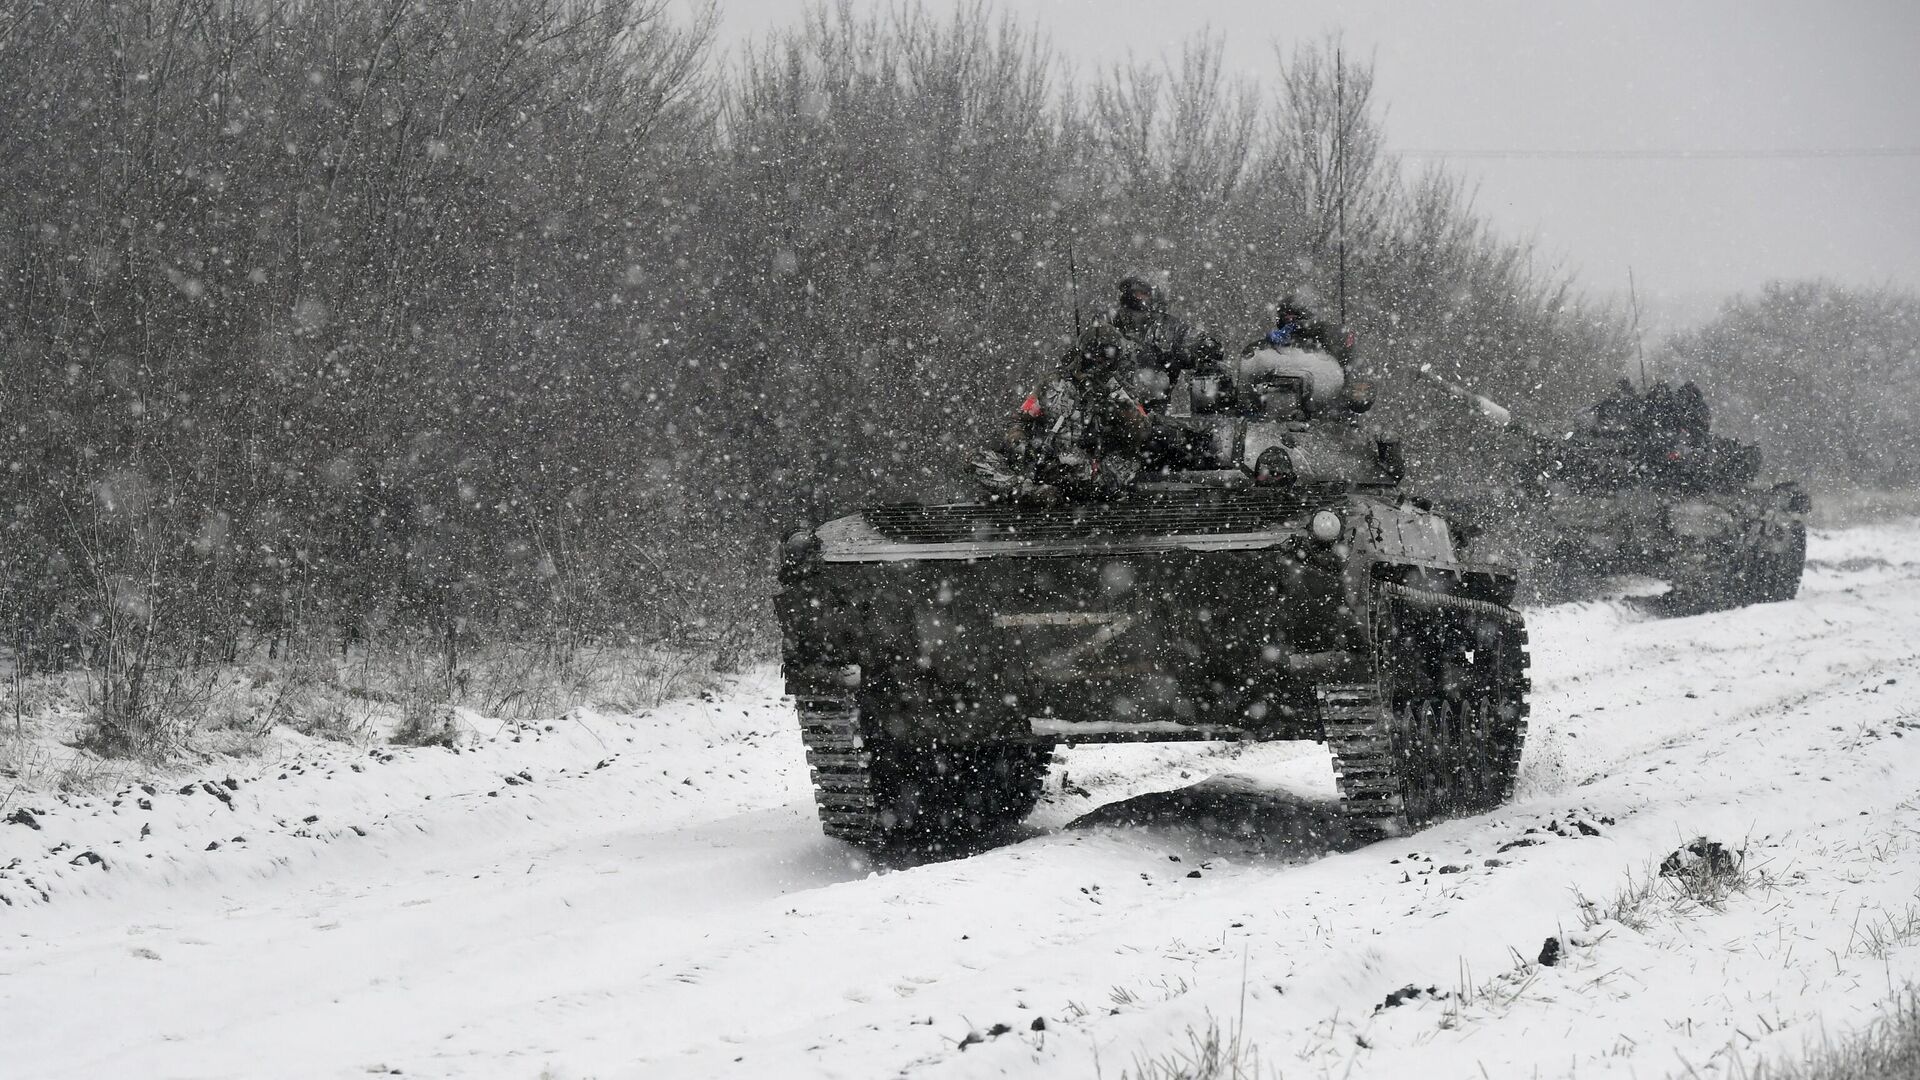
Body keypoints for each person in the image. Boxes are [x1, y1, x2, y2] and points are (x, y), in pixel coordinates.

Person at [971, 324, 1152, 501]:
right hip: (1048, 460)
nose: (1100, 363)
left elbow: (1142, 431)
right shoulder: (1053, 385)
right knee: (977, 459)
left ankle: (1038, 491)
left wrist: (1116, 407)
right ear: (1083, 355)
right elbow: (1020, 418)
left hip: (1093, 468)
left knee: (1096, 469)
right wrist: (1019, 443)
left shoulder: (1120, 391)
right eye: (1095, 356)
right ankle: (1025, 491)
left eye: (1107, 357)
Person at [1110, 275, 1224, 412]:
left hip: (1154, 413)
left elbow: (1204, 344)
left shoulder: (1168, 327)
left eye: (1144, 293)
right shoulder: (1108, 325)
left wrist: (1203, 348)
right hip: (1111, 408)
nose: (1140, 298)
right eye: (1137, 293)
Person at [1259, 294, 1354, 363]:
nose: (1290, 322)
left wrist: (1299, 326)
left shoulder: (1319, 334)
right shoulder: (1279, 341)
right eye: (1286, 318)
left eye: (1293, 318)